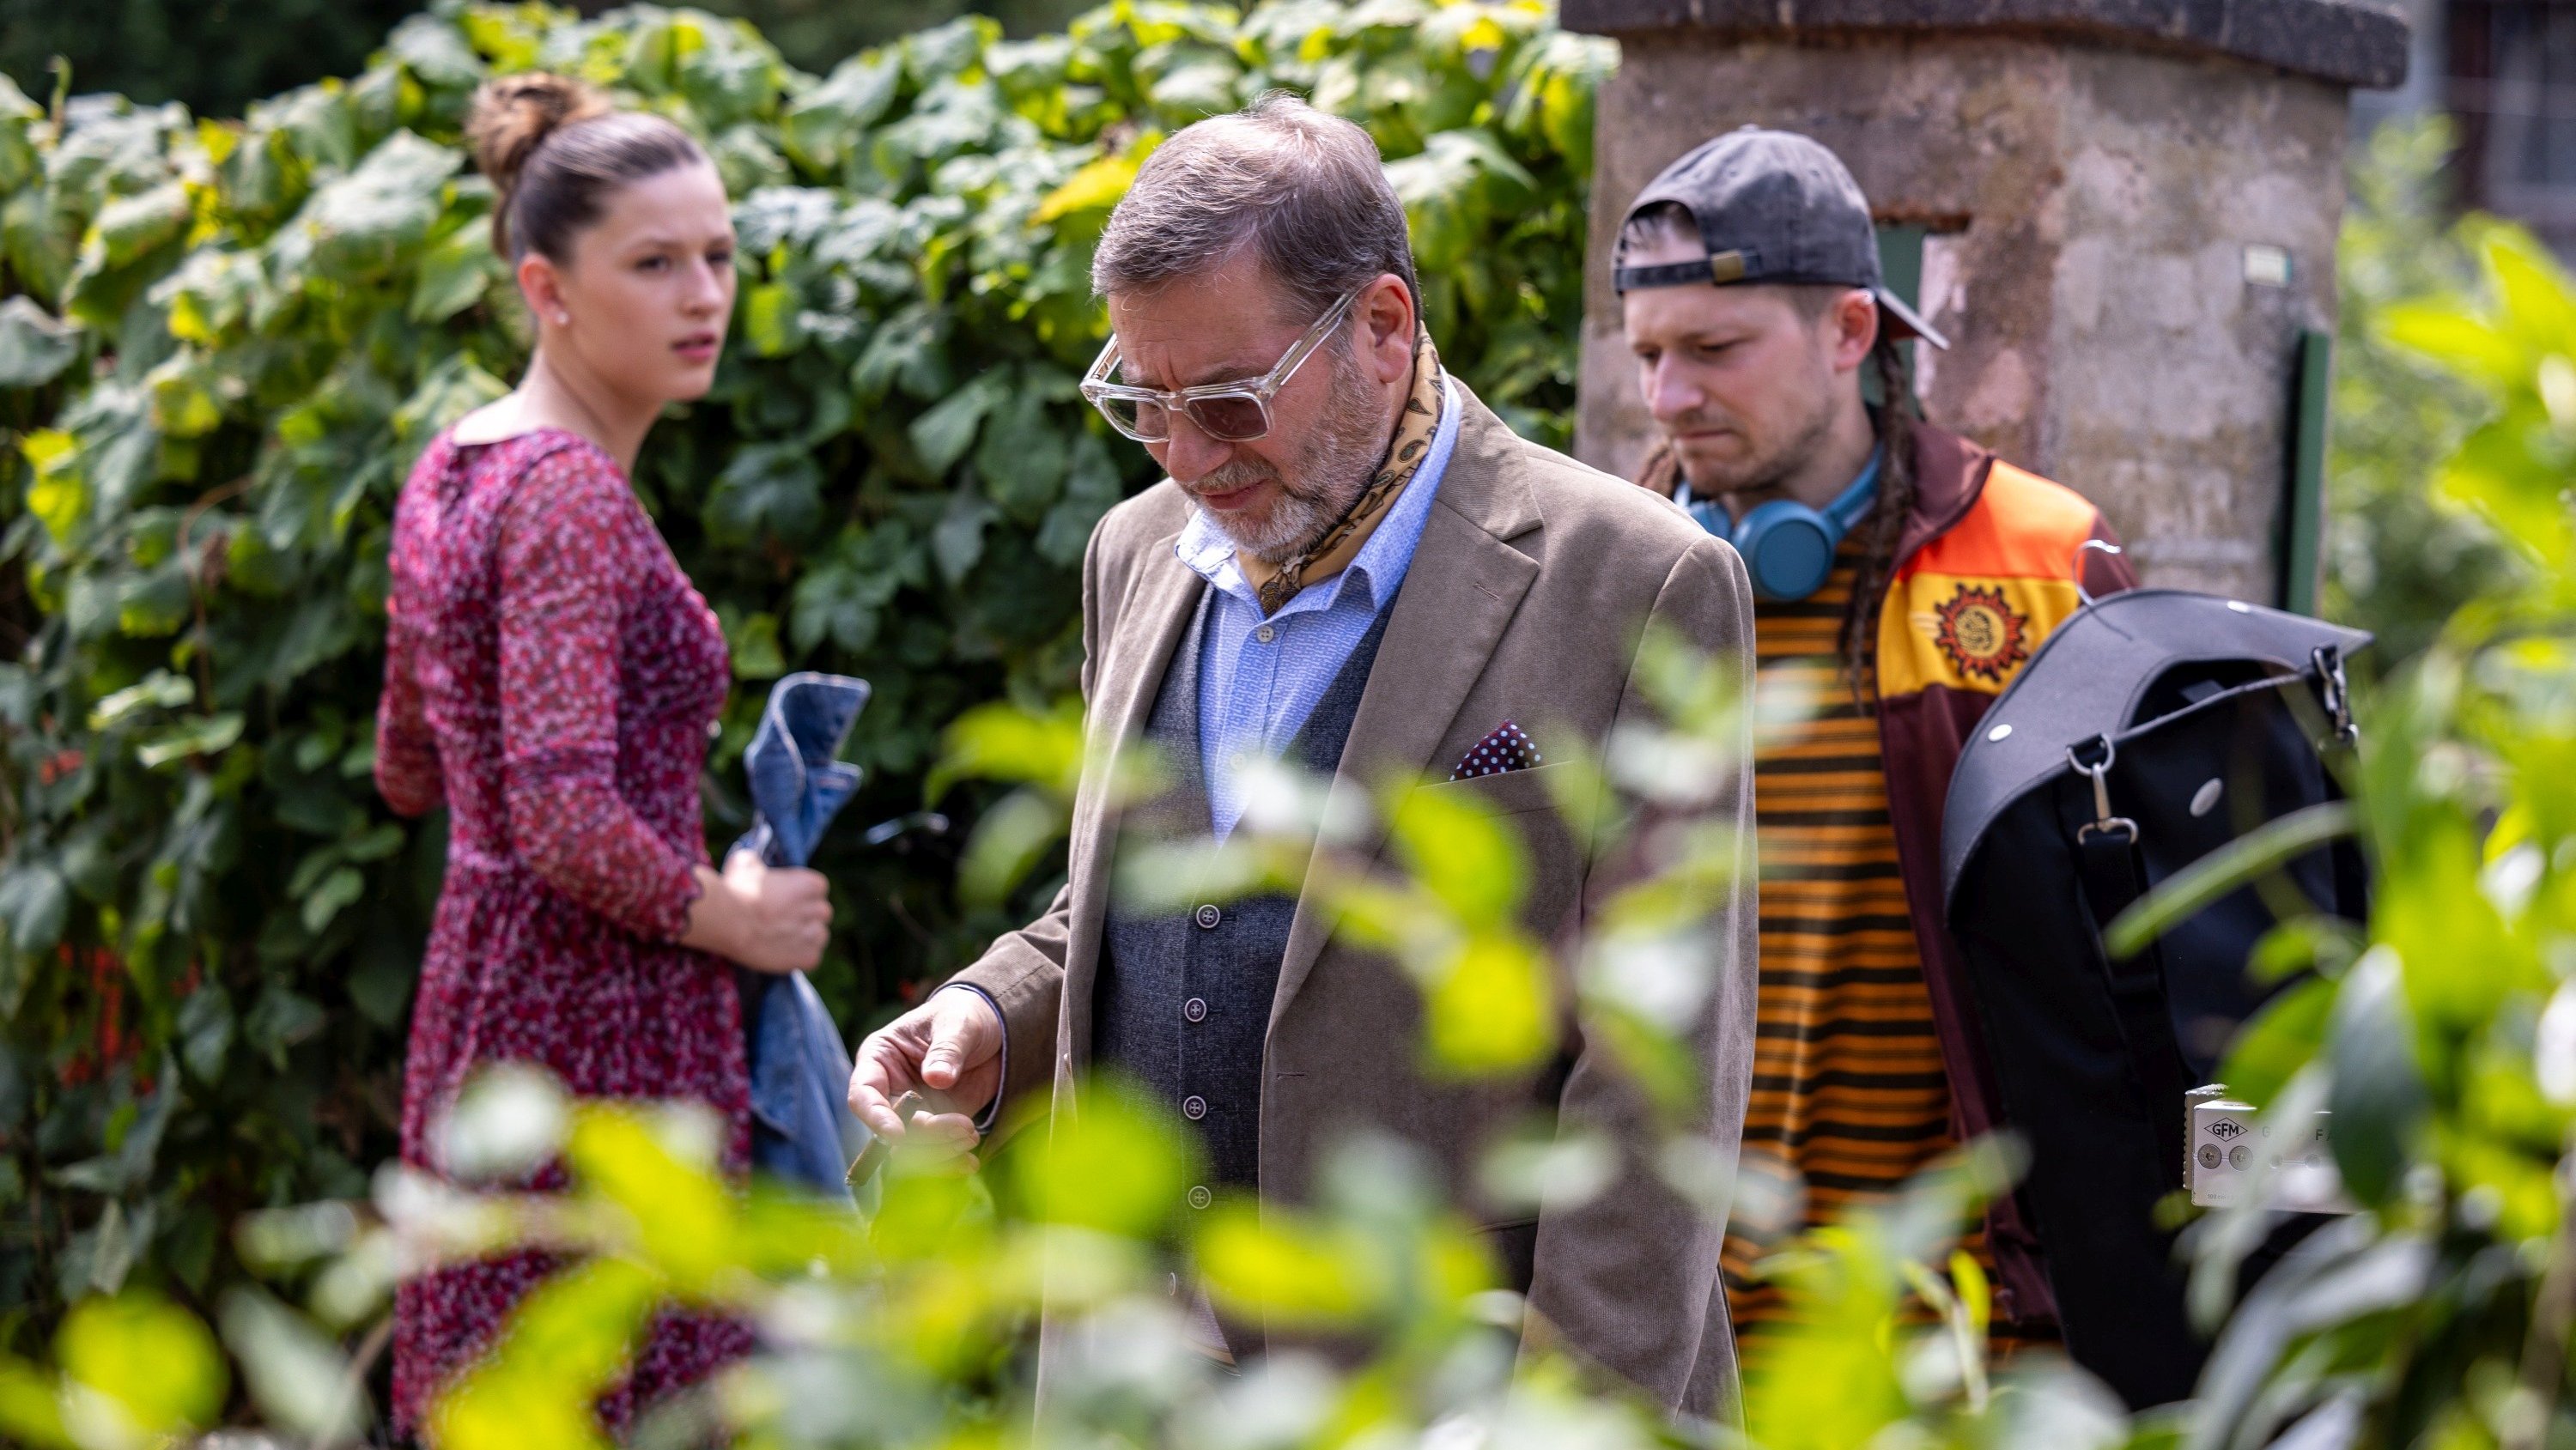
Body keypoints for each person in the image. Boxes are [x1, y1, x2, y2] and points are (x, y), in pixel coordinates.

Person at [850, 94, 1759, 1417]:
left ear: (1382, 328)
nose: (1180, 455)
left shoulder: (1640, 579)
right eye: (1142, 401)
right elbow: (1132, 908)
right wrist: (989, 1010)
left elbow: (1659, 1075)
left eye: (1225, 400)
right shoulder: (1133, 551)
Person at [1612, 127, 2138, 1366]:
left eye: (1713, 349)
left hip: (1958, 1334)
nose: (1668, 398)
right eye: (1647, 356)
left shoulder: (2043, 564)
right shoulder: (1607, 572)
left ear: (1852, 332)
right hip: (1678, 1329)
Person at [373, 73, 833, 1435]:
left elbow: (411, 766)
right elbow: (562, 814)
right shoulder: (569, 493)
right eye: (654, 262)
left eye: (719, 256)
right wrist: (735, 917)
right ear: (546, 286)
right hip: (598, 1032)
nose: (703, 295)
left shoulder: (455, 463)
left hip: (479, 997)